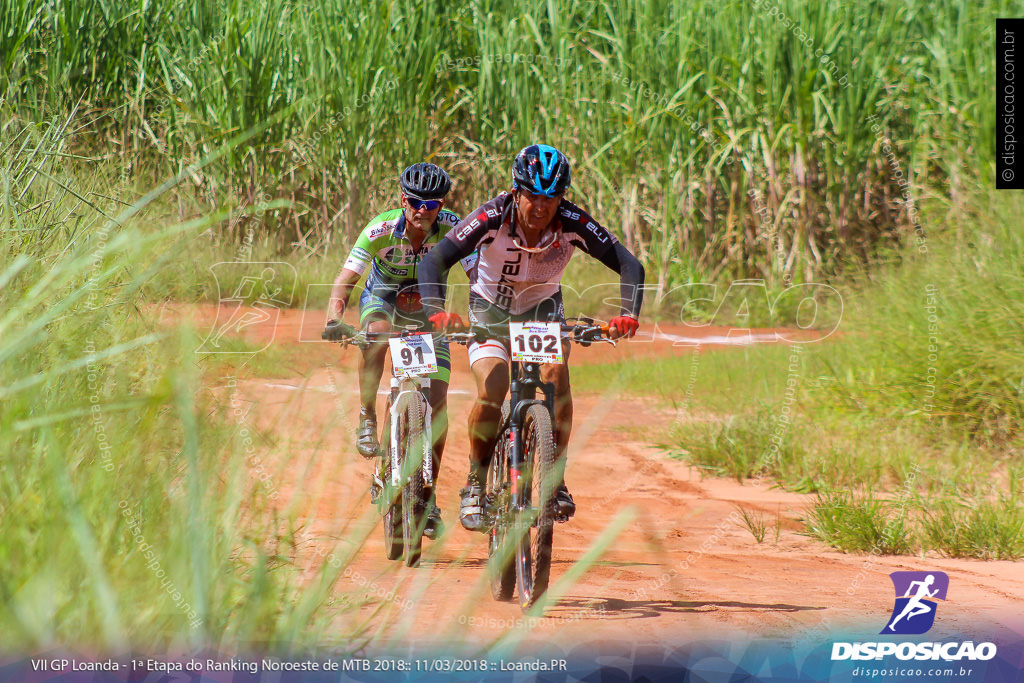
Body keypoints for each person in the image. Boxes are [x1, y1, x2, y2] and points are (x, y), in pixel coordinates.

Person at [418, 144, 645, 531]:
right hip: (490, 310)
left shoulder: (572, 221)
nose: (541, 208)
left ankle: (554, 481)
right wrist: (436, 310)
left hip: (542, 311)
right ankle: (475, 484)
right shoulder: (490, 216)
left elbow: (629, 263)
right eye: (533, 197)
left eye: (552, 198)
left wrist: (628, 314)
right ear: (516, 191)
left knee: (557, 377)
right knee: (493, 387)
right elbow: (434, 259)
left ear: (562, 198)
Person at [329, 162, 474, 538]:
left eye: (433, 204)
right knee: (376, 334)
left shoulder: (454, 228)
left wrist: (480, 316)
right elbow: (345, 281)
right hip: (383, 298)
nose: (423, 211)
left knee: (438, 404)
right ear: (402, 199)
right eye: (415, 202)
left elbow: (479, 278)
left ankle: (428, 497)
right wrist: (334, 319)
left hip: (429, 307)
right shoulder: (379, 229)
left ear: (442, 205)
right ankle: (367, 416)